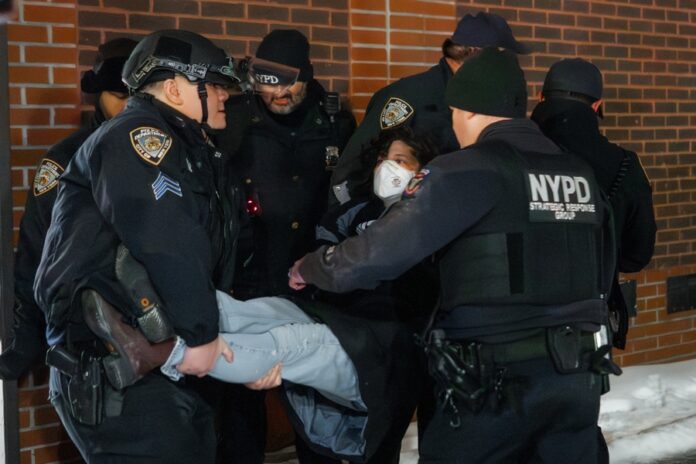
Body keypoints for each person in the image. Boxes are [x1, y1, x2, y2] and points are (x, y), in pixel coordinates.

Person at [289, 48, 619, 463]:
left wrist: (312, 267)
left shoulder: (467, 169)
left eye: (454, 112)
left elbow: (378, 253)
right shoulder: (579, 173)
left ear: (468, 110)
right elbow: (606, 264)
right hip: (576, 378)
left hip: (491, 384)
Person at [33, 29, 241, 463]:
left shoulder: (190, 147)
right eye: (213, 84)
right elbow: (166, 238)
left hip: (159, 363)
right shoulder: (138, 138)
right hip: (119, 373)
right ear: (174, 89)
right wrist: (202, 332)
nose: (225, 95)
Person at [214, 28, 355, 464]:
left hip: (313, 282)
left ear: (307, 77)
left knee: (317, 406)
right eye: (268, 83)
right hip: (249, 280)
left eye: (289, 84)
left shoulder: (334, 121)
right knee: (240, 410)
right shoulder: (234, 119)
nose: (278, 93)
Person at [531, 57, 657, 464]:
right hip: (588, 323)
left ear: (539, 96)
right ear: (598, 106)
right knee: (575, 433)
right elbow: (638, 254)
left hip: (509, 322)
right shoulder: (623, 164)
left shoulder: (502, 154)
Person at [0, 37, 137, 380]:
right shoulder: (66, 159)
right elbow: (36, 246)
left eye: (137, 95)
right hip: (86, 335)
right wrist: (27, 334)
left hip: (164, 332)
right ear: (97, 95)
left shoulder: (170, 154)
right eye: (118, 95)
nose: (128, 106)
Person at [328, 11, 530, 207]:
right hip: (400, 222)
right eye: (501, 58)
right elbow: (352, 168)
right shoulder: (409, 97)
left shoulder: (487, 102)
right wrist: (347, 219)